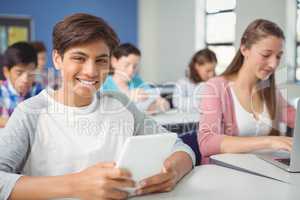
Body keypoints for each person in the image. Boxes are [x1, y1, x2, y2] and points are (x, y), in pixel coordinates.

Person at [0, 13, 195, 200]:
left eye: (101, 60)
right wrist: (75, 185)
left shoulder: (121, 104)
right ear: (57, 59)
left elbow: (180, 148)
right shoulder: (30, 112)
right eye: (79, 58)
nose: (91, 71)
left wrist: (173, 172)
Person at [198, 19, 295, 164]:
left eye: (278, 56)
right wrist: (270, 142)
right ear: (244, 49)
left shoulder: (270, 91)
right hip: (226, 174)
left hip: (263, 173)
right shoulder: (216, 87)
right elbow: (207, 143)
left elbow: (295, 118)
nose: (274, 64)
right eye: (266, 54)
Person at [101, 43, 170, 114]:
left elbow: (164, 104)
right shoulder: (103, 84)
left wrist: (158, 105)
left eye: (135, 66)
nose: (131, 70)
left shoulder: (137, 82)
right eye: (127, 65)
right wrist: (127, 97)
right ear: (114, 62)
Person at [0, 42, 43, 128]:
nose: (25, 79)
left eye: (30, 73)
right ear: (6, 72)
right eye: (19, 73)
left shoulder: (39, 92)